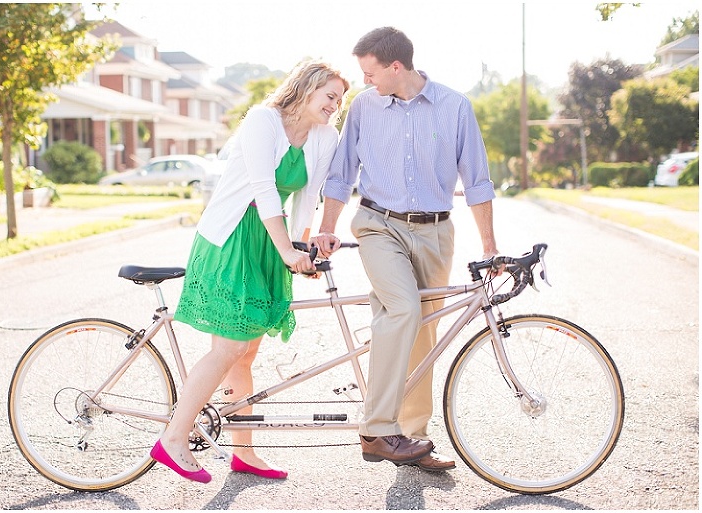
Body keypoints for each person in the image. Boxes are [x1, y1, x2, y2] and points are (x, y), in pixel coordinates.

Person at [310, 27, 499, 472]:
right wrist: (327, 228)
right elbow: (342, 173)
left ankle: (412, 439)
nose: (364, 81)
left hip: (435, 232)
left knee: (424, 332)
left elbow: (477, 180)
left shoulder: (454, 106)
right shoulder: (364, 107)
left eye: (370, 72)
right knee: (402, 309)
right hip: (379, 226)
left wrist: (490, 248)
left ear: (396, 67)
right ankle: (377, 428)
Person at [151, 60, 350, 483]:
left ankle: (243, 452)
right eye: (330, 95)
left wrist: (301, 250)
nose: (335, 105)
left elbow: (308, 196)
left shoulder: (324, 136)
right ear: (307, 88)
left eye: (340, 99)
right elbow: (263, 189)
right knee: (227, 348)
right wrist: (286, 252)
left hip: (270, 242)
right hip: (233, 239)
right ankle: (173, 438)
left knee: (246, 353)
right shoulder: (263, 120)